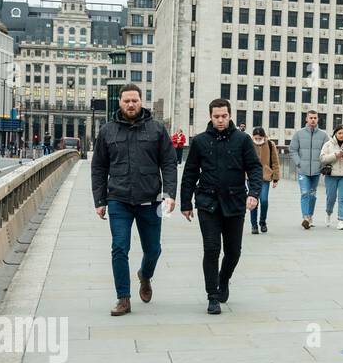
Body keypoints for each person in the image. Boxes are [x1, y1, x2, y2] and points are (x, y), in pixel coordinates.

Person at [90, 84, 177, 317]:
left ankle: (145, 275)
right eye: (126, 100)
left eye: (135, 100)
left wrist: (170, 195)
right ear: (120, 103)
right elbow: (99, 166)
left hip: (151, 201)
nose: (131, 104)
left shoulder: (157, 129)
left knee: (153, 250)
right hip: (118, 199)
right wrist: (100, 200)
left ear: (141, 101)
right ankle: (123, 298)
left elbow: (169, 162)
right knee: (119, 247)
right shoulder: (108, 131)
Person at [179, 98, 262, 315]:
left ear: (230, 115)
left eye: (224, 116)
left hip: (235, 202)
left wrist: (254, 193)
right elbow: (190, 173)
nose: (220, 120)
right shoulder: (200, 141)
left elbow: (254, 168)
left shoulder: (243, 140)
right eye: (216, 116)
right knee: (212, 248)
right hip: (208, 203)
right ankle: (212, 296)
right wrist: (186, 203)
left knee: (233, 251)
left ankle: (223, 279)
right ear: (210, 116)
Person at [289, 110, 328, 229]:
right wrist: (298, 162)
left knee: (312, 194)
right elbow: (292, 150)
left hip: (316, 170)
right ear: (306, 119)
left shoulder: (323, 135)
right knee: (305, 193)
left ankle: (310, 216)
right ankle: (305, 217)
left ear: (318, 119)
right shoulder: (299, 134)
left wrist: (323, 165)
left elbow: (327, 150)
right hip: (303, 170)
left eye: (315, 118)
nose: (313, 120)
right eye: (310, 118)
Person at [320, 124, 343, 229]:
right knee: (331, 198)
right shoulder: (328, 144)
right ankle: (328, 213)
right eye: (339, 133)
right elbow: (322, 158)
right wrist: (335, 155)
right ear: (335, 133)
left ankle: (341, 220)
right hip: (331, 175)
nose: (341, 135)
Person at [249, 126, 280, 235]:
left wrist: (276, 178)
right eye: (256, 138)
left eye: (260, 138)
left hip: (265, 177)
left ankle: (262, 222)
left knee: (264, 200)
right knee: (253, 202)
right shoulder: (248, 144)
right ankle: (253, 225)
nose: (258, 140)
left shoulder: (270, 145)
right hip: (251, 177)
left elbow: (275, 161)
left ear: (264, 136)